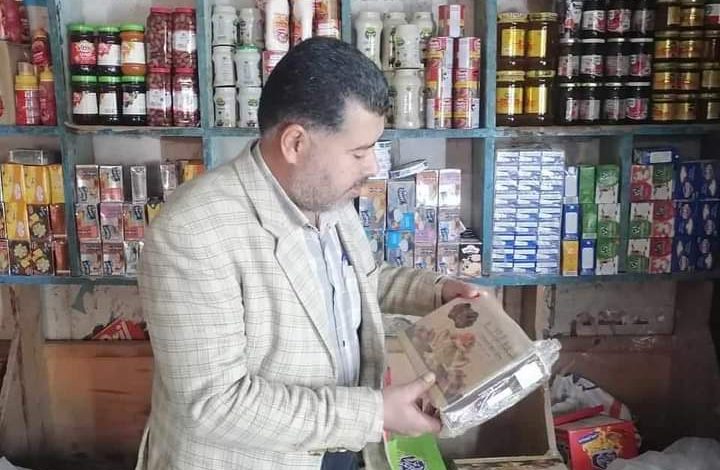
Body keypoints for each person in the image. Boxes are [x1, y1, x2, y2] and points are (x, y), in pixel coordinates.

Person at [135, 37, 480, 470]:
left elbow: (358, 280)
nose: (372, 166)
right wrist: (374, 413)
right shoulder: (193, 231)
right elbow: (214, 404)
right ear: (296, 143)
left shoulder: (327, 195)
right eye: (359, 152)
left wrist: (437, 292)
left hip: (343, 447)